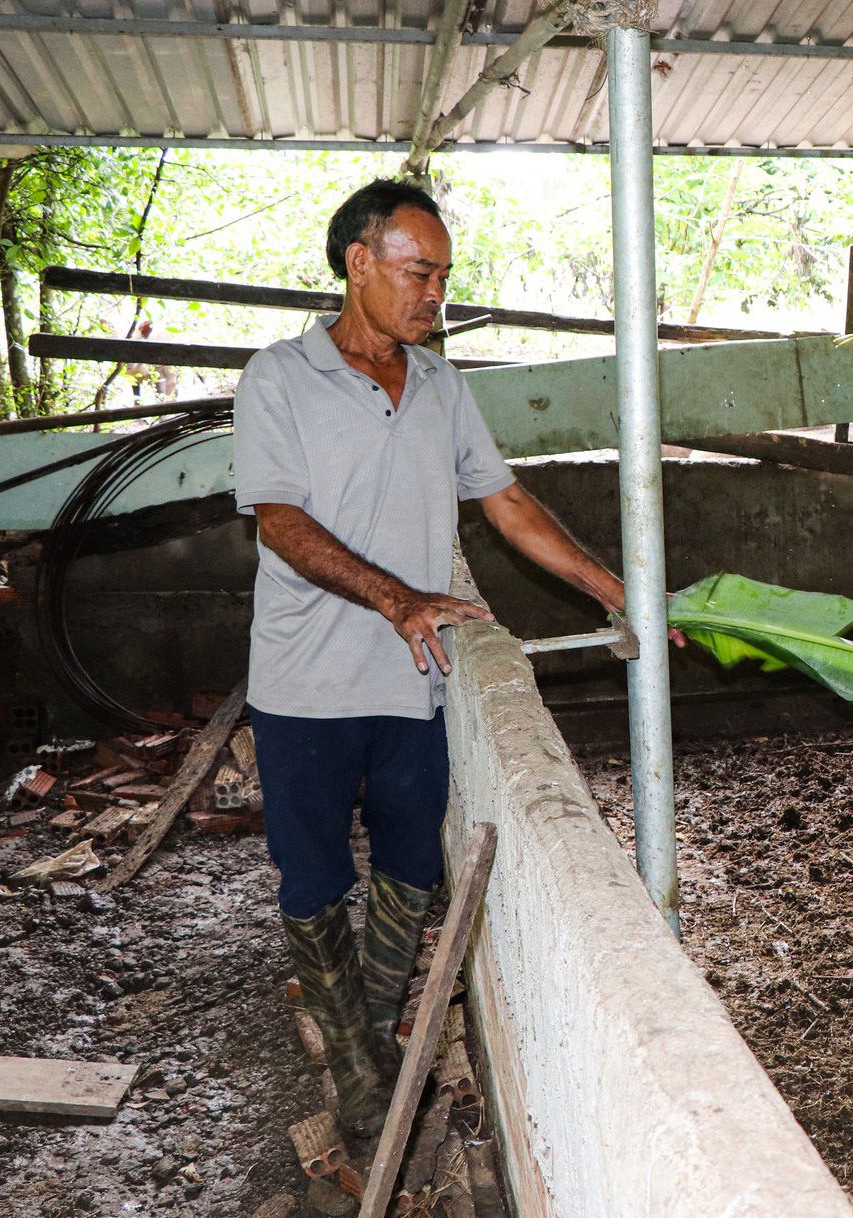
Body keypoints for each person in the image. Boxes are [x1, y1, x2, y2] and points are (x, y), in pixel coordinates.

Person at [233, 179, 634, 1136]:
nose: (434, 295)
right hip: (306, 680)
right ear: (357, 262)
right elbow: (281, 522)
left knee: (414, 856)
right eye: (419, 273)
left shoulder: (444, 385)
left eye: (444, 277)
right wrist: (398, 597)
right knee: (314, 872)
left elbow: (506, 503)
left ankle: (371, 1031)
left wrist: (617, 590)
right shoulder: (280, 378)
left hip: (415, 683)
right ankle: (357, 1073)